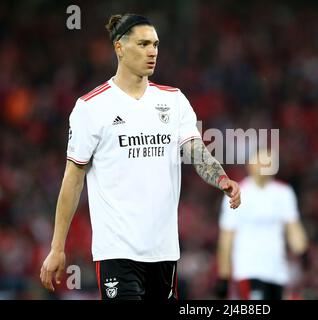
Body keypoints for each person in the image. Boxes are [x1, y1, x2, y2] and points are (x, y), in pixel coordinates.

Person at [40, 13, 241, 300]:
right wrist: (57, 247)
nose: (153, 52)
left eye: (156, 44)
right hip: (117, 251)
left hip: (164, 250)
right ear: (119, 48)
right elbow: (73, 179)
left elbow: (196, 150)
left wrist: (221, 179)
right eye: (143, 43)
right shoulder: (91, 107)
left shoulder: (173, 100)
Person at [216, 149, 307, 300]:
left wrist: (303, 252)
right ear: (250, 164)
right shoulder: (237, 193)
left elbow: (293, 227)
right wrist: (223, 275)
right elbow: (226, 238)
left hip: (277, 271)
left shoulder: (283, 193)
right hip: (249, 269)